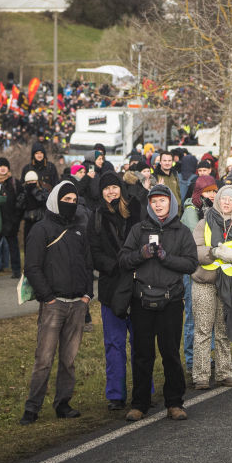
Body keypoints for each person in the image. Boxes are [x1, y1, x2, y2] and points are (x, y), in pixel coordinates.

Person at [119, 184, 198, 422]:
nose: (158, 205)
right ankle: (139, 404)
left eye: (162, 200)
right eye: (154, 201)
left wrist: (166, 258)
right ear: (149, 204)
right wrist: (141, 253)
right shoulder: (138, 229)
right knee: (142, 355)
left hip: (171, 301)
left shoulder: (182, 231)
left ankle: (175, 403)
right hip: (142, 300)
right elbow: (123, 260)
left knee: (171, 354)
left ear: (171, 203)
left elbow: (191, 264)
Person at [18, 181, 93, 425]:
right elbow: (32, 267)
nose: (70, 204)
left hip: (77, 303)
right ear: (54, 200)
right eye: (66, 200)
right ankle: (32, 408)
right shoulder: (41, 229)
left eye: (74, 200)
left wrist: (86, 295)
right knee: (44, 360)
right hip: (54, 304)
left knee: (68, 360)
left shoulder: (80, 228)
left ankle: (63, 403)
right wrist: (47, 297)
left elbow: (87, 263)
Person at [190, 185, 232, 389]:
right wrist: (213, 253)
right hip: (204, 282)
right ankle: (200, 375)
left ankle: (224, 372)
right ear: (218, 200)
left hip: (229, 283)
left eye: (231, 200)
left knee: (224, 329)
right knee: (202, 330)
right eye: (223, 199)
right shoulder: (204, 222)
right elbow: (194, 250)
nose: (227, 203)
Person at [90, 172, 142, 411]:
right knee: (114, 343)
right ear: (101, 191)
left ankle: (143, 390)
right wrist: (112, 265)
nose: (111, 192)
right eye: (106, 188)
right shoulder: (96, 216)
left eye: (114, 187)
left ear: (120, 188)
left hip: (136, 283)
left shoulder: (133, 210)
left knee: (140, 342)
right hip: (111, 286)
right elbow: (94, 252)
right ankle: (116, 394)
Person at [180, 175, 219, 372]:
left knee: (209, 315)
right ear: (199, 192)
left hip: (209, 268)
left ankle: (206, 357)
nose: (212, 194)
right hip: (192, 271)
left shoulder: (212, 210)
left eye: (214, 190)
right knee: (193, 317)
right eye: (208, 191)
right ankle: (191, 359)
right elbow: (195, 243)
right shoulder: (191, 212)